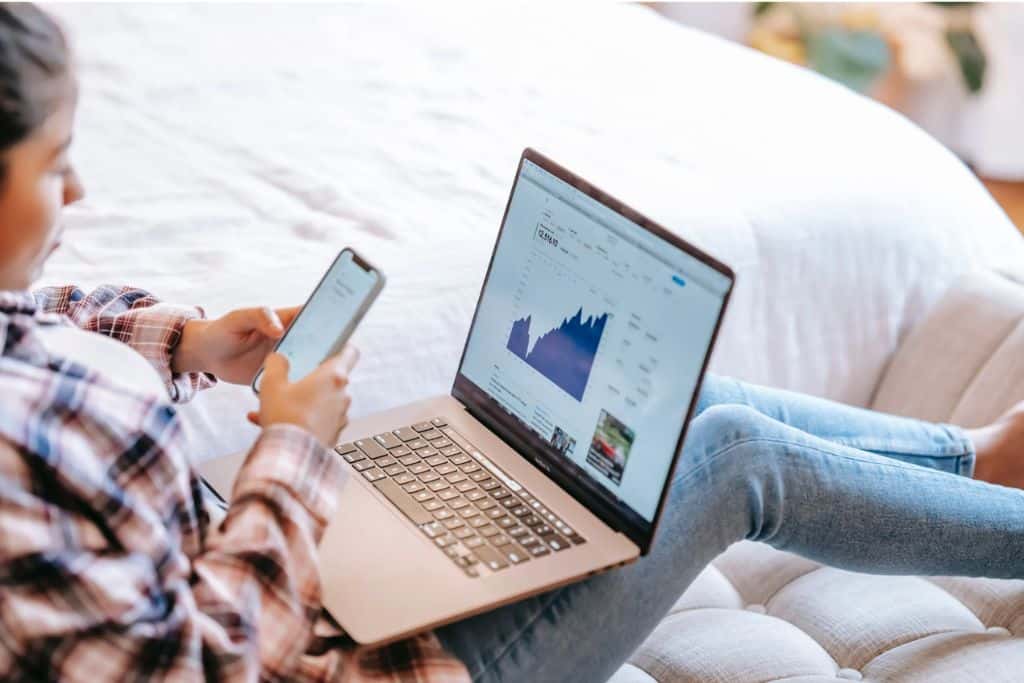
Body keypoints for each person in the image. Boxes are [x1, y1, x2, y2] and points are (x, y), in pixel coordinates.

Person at [0, 4, 1021, 681]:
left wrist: (184, 338)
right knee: (734, 456)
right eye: (54, 165)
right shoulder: (26, 445)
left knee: (678, 407)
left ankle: (975, 460)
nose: (78, 193)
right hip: (347, 660)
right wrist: (294, 451)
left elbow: (46, 311)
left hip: (277, 573)